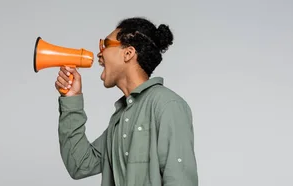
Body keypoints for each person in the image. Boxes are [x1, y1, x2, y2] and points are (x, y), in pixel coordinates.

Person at [54, 17, 198, 186]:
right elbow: (80, 165)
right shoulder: (120, 118)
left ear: (128, 53)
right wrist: (71, 98)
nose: (99, 54)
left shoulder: (167, 105)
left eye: (105, 45)